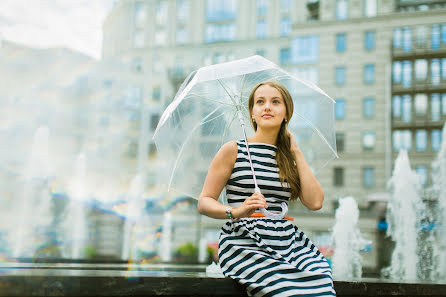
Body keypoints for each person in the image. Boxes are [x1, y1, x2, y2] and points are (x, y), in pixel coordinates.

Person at [198, 81, 336, 297]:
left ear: (286, 113)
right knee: (285, 292)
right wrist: (236, 210)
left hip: (286, 241)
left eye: (275, 102)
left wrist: (297, 152)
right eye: (260, 102)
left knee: (322, 286)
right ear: (252, 113)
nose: (267, 107)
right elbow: (204, 201)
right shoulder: (233, 150)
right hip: (244, 241)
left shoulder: (289, 157)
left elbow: (315, 202)